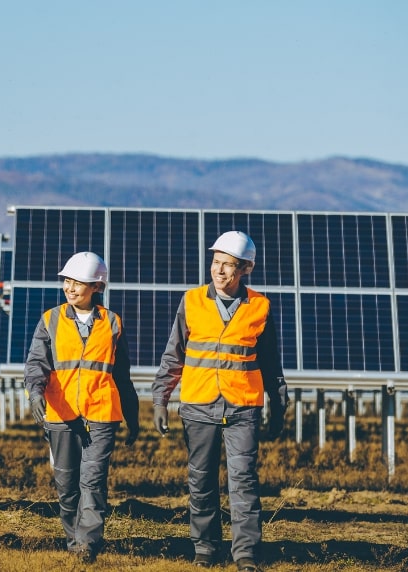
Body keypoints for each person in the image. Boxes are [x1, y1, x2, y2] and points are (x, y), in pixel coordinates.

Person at [151, 231, 289, 572]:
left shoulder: (260, 307)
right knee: (201, 480)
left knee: (244, 481)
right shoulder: (192, 301)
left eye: (229, 265)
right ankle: (205, 548)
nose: (220, 271)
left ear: (245, 269)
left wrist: (280, 404)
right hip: (198, 405)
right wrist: (160, 399)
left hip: (243, 406)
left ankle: (245, 554)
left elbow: (270, 362)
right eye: (216, 263)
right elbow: (174, 356)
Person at [23, 251, 140, 563]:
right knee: (66, 484)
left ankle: (85, 545)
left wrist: (133, 416)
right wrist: (35, 394)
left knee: (93, 479)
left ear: (96, 287)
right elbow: (36, 365)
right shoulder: (50, 320)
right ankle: (74, 537)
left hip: (101, 414)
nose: (70, 288)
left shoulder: (113, 323)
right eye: (67, 281)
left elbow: (122, 374)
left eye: (78, 282)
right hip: (61, 414)